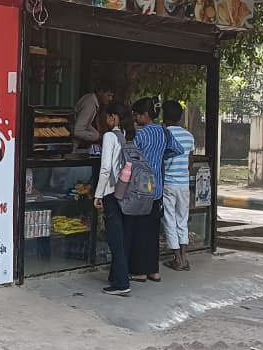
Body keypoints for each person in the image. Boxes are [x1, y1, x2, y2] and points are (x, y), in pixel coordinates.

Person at [124, 98, 184, 282]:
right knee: (152, 232)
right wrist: (160, 157)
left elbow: (129, 156)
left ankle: (140, 272)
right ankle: (154, 271)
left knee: (138, 232)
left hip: (140, 189)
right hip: (157, 188)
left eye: (136, 114)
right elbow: (177, 149)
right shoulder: (164, 132)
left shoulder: (139, 135)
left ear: (145, 115)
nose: (134, 118)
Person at [94, 102, 134, 296]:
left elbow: (106, 168)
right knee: (122, 237)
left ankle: (121, 282)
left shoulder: (110, 136)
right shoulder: (129, 135)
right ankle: (116, 274)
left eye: (108, 116)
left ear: (113, 117)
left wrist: (98, 194)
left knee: (115, 238)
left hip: (112, 192)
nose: (106, 120)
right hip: (127, 192)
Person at [161, 101, 195, 271]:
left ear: (163, 116)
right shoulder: (189, 136)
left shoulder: (164, 134)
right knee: (182, 221)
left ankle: (177, 259)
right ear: (180, 117)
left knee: (169, 220)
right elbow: (190, 162)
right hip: (183, 184)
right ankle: (184, 258)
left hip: (168, 183)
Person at [72, 85, 114, 151]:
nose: (110, 99)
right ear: (100, 92)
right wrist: (97, 137)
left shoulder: (90, 99)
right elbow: (77, 131)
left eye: (112, 96)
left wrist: (98, 135)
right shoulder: (90, 104)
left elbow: (86, 124)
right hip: (74, 146)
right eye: (108, 95)